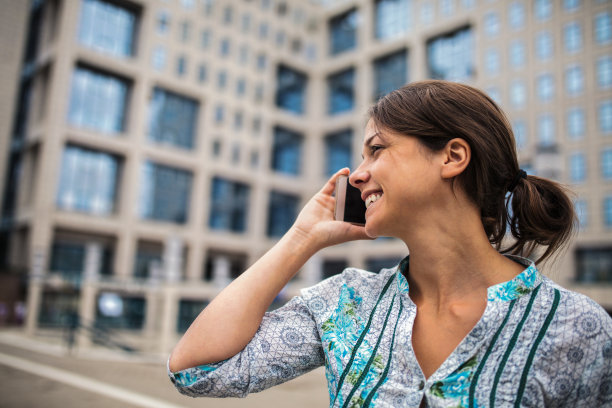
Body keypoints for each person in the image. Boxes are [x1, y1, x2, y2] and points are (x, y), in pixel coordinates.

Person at [168, 80, 612, 407]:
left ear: (452, 156)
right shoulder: (345, 304)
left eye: (376, 150)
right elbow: (196, 372)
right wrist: (301, 238)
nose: (356, 174)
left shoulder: (575, 328)